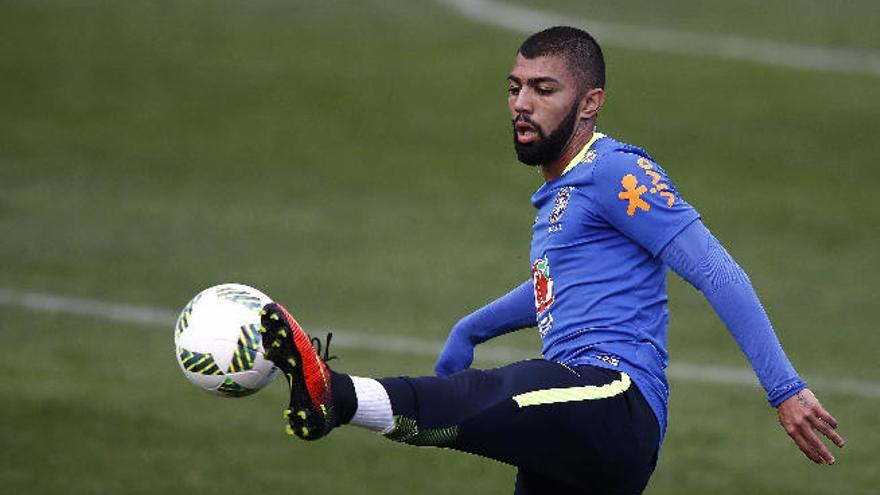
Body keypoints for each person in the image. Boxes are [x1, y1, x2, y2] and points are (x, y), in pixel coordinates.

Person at [258, 26, 845, 494]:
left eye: (544, 89)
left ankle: (333, 395)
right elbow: (553, 286)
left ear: (590, 103)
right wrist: (472, 326)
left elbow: (715, 270)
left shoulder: (617, 171)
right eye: (514, 87)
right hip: (585, 438)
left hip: (613, 398)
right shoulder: (563, 192)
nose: (521, 103)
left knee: (497, 394)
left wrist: (784, 389)